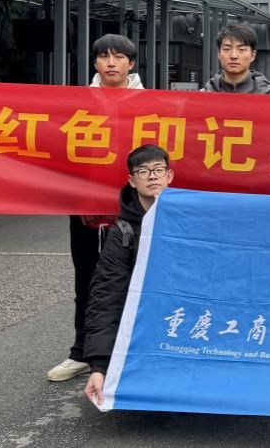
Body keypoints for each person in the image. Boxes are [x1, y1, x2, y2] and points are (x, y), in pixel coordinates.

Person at [49, 34, 142, 383]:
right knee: (86, 280)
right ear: (95, 63)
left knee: (133, 280)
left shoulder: (153, 104)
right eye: (104, 57)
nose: (111, 63)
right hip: (85, 208)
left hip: (134, 209)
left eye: (119, 57)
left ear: (131, 64)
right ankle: (82, 352)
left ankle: (129, 353)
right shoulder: (78, 104)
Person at [82, 144, 175, 407]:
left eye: (158, 169)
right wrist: (99, 366)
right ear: (132, 181)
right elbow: (107, 295)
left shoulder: (189, 221)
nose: (152, 176)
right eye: (143, 171)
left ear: (169, 176)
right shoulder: (122, 231)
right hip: (141, 324)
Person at [202, 23, 270, 94]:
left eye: (241, 49)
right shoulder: (205, 95)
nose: (233, 56)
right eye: (227, 49)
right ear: (219, 54)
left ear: (253, 55)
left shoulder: (268, 96)